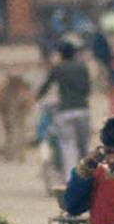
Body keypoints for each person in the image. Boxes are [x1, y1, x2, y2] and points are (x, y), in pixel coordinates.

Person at [35, 40, 91, 181]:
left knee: (68, 147)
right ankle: (87, 178)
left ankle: (70, 180)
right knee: (83, 147)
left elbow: (45, 87)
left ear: (60, 54)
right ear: (74, 53)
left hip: (65, 112)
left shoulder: (57, 68)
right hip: (83, 111)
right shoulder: (83, 68)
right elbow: (87, 89)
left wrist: (36, 97)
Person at [0, 73, 34, 162]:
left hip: (18, 108)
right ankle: (14, 154)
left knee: (16, 130)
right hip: (9, 108)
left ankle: (17, 154)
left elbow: (28, 102)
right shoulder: (2, 91)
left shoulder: (21, 91)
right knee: (11, 130)